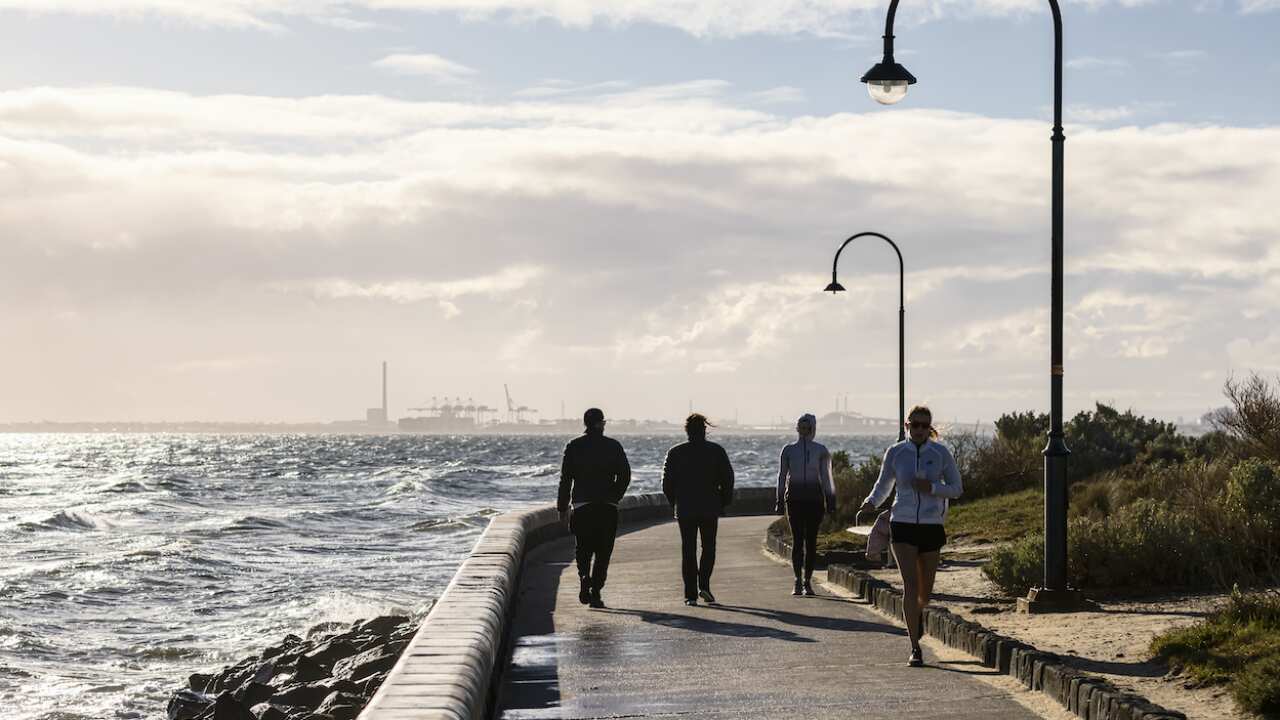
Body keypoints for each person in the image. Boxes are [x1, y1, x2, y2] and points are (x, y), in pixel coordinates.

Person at [859, 404, 962, 667]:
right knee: (910, 585)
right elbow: (883, 484)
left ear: (930, 428)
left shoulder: (940, 453)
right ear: (907, 426)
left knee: (925, 593)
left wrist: (932, 487)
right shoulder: (896, 452)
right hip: (902, 523)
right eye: (914, 424)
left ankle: (917, 619)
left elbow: (956, 488)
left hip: (930, 525)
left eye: (924, 425)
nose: (919, 430)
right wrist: (870, 503)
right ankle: (914, 646)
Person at [557, 408, 631, 609]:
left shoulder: (573, 446)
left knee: (583, 547)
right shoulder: (613, 446)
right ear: (599, 424)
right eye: (603, 422)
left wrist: (562, 506)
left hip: (582, 505)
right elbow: (625, 475)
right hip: (607, 506)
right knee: (603, 550)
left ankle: (583, 576)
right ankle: (596, 591)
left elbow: (566, 479)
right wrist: (615, 496)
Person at [662, 413, 735, 606]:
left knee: (688, 549)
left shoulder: (675, 452)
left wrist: (673, 503)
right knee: (708, 547)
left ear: (687, 431)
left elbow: (666, 484)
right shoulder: (716, 451)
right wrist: (723, 502)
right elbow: (728, 479)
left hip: (685, 508)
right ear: (705, 430)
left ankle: (690, 595)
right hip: (710, 507)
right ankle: (705, 585)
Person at [775, 413, 836, 597]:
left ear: (813, 429)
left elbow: (827, 477)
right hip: (794, 499)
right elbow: (781, 476)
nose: (804, 431)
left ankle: (807, 581)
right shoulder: (788, 450)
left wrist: (831, 499)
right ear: (797, 429)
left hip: (814, 500)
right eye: (801, 428)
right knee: (797, 541)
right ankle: (797, 580)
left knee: (811, 542)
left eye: (807, 428)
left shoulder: (821, 450)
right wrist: (778, 499)